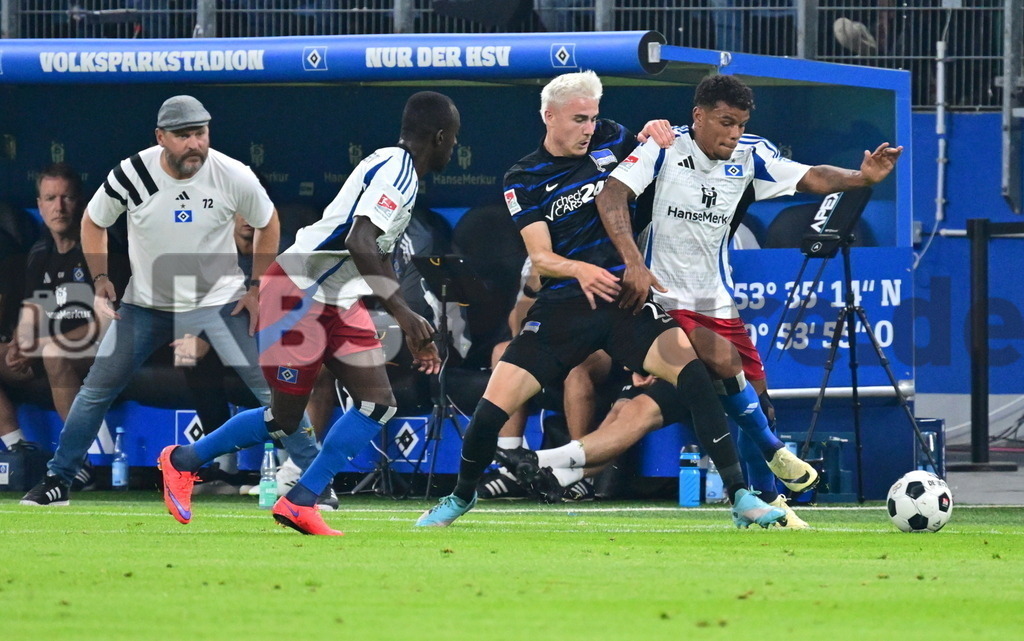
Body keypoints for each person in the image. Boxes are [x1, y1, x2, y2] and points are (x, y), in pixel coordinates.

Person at [515, 73, 903, 523]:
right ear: (698, 117)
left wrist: (860, 177)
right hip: (659, 302)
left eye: (740, 123)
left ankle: (762, 499)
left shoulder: (750, 154)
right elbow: (612, 196)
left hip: (716, 303)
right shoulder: (663, 148)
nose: (734, 133)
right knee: (713, 368)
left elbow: (811, 176)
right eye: (725, 122)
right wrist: (634, 264)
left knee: (745, 400)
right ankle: (772, 462)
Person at [416, 70, 786, 529]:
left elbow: (657, 152)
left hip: (625, 301)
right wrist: (580, 269)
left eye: (593, 118)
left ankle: (741, 496)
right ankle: (460, 498)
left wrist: (655, 131)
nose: (589, 128)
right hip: (564, 307)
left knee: (692, 374)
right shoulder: (523, 176)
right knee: (492, 410)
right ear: (549, 117)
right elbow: (541, 257)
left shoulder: (613, 139)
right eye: (578, 119)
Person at [158, 91, 459, 535]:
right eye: (453, 139)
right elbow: (359, 241)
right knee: (283, 417)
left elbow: (375, 253)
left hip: (337, 298)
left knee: (378, 404)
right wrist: (404, 313)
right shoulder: (397, 170)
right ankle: (181, 461)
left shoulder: (399, 170)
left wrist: (409, 322)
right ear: (439, 136)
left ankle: (302, 499)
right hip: (297, 290)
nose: (454, 148)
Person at [20, 95, 320, 507]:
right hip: (146, 305)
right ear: (161, 137)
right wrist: (101, 277)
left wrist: (256, 286)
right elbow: (93, 220)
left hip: (220, 302)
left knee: (272, 389)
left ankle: (316, 480)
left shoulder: (232, 174)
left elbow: (269, 223)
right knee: (95, 390)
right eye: (183, 136)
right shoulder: (133, 173)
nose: (194, 143)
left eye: (200, 133)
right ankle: (59, 479)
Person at [1, 164, 104, 470]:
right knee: (27, 351)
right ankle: (18, 449)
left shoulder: (98, 247)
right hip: (50, 347)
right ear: (39, 206)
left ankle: (79, 461)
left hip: (103, 348)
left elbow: (107, 324)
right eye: (50, 198)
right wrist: (21, 344)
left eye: (67, 198)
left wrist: (43, 343)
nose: (59, 207)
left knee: (54, 353)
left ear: (81, 202)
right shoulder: (39, 253)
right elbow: (31, 312)